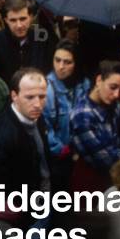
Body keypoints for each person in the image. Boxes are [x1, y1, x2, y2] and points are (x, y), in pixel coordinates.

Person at [0, 68, 52, 197]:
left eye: (42, 96)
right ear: (14, 96)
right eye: (30, 97)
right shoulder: (1, 135)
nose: (38, 104)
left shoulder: (35, 116)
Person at [69, 61, 120, 190]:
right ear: (99, 80)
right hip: (91, 185)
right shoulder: (82, 115)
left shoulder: (116, 104)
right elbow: (108, 161)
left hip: (113, 181)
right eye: (113, 87)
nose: (116, 95)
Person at [42, 41, 90, 185]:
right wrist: (62, 150)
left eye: (67, 62)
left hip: (80, 152)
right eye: (57, 60)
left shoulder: (84, 84)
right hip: (58, 157)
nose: (60, 67)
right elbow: (44, 127)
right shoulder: (46, 88)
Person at [0, 0, 55, 88]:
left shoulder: (42, 37)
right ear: (6, 20)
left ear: (31, 17)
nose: (19, 25)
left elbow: (50, 69)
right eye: (13, 20)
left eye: (23, 19)